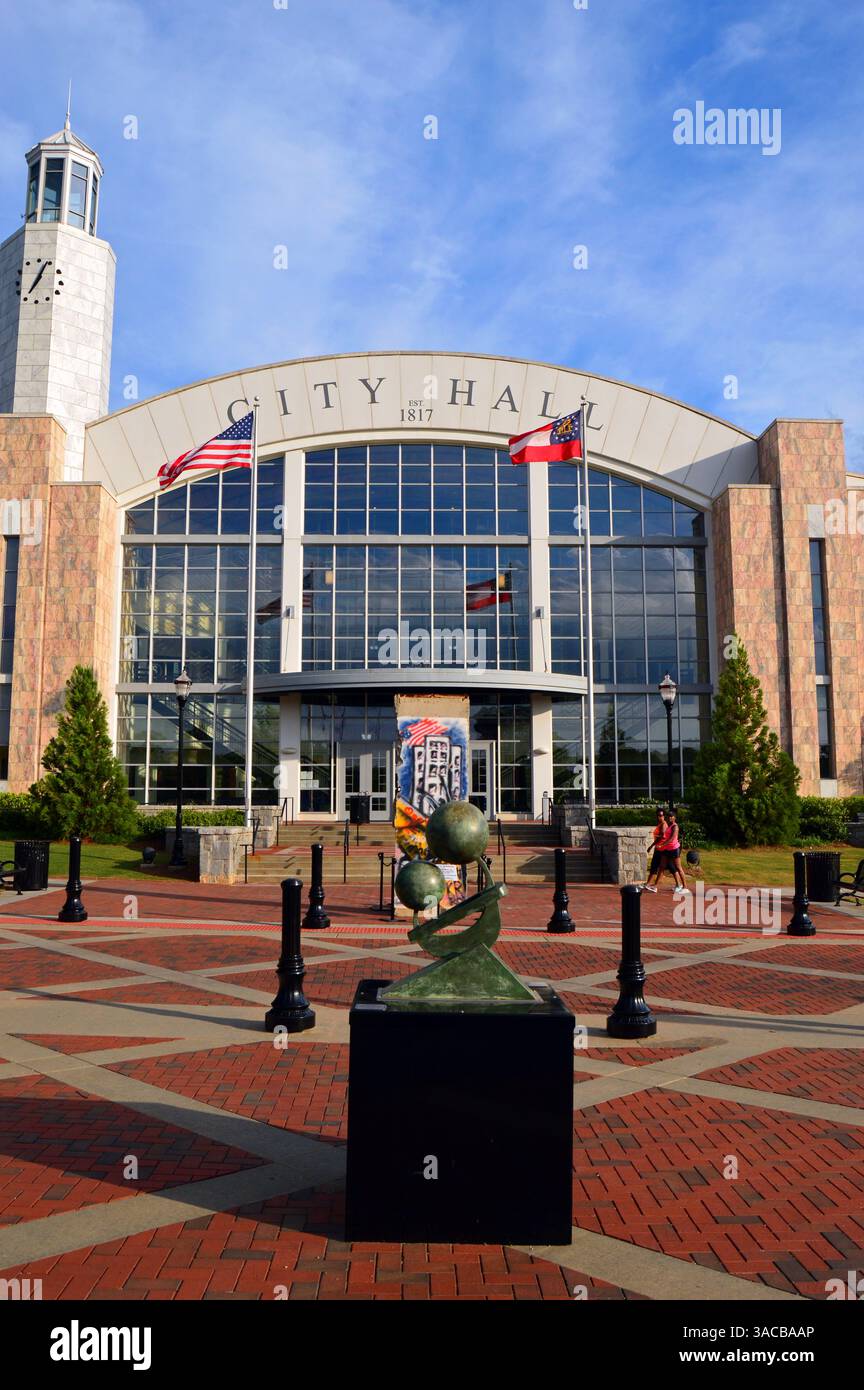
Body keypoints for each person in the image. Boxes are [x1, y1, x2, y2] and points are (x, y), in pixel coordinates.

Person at [664, 809, 690, 898]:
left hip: (675, 849)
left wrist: (663, 845)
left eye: (671, 816)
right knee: (671, 866)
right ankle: (678, 886)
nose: (670, 818)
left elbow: (672, 838)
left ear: (674, 818)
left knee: (678, 867)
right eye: (669, 816)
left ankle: (685, 887)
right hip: (669, 849)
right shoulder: (669, 826)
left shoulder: (675, 826)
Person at [643, 808, 668, 893]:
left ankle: (651, 885)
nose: (659, 817)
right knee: (660, 867)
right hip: (659, 848)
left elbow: (661, 837)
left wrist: (651, 846)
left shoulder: (663, 825)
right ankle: (650, 884)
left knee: (656, 866)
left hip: (661, 849)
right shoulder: (660, 824)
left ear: (664, 816)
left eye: (661, 815)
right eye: (658, 815)